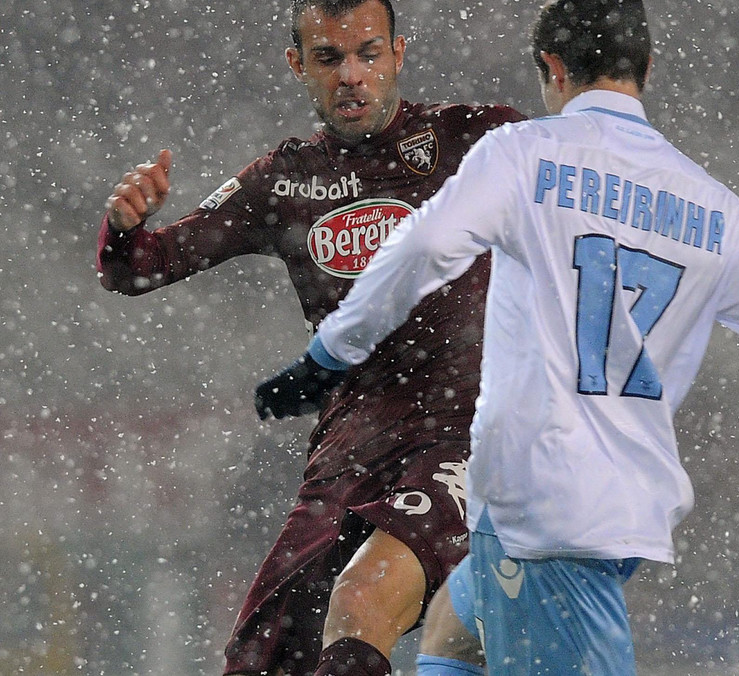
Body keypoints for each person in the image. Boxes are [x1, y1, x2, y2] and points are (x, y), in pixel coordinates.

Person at [254, 0, 739, 673]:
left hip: (544, 510)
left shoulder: (522, 154)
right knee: (452, 633)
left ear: (551, 67)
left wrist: (330, 352)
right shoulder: (720, 211)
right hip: (610, 503)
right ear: (646, 67)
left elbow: (424, 246)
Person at [96, 0, 524, 673]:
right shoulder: (285, 180)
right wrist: (124, 226)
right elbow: (139, 269)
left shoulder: (478, 139)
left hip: (464, 431)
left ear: (398, 55)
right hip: (352, 447)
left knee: (365, 597)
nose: (351, 75)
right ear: (299, 66)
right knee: (261, 656)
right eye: (329, 58)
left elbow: (585, 181)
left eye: (367, 54)